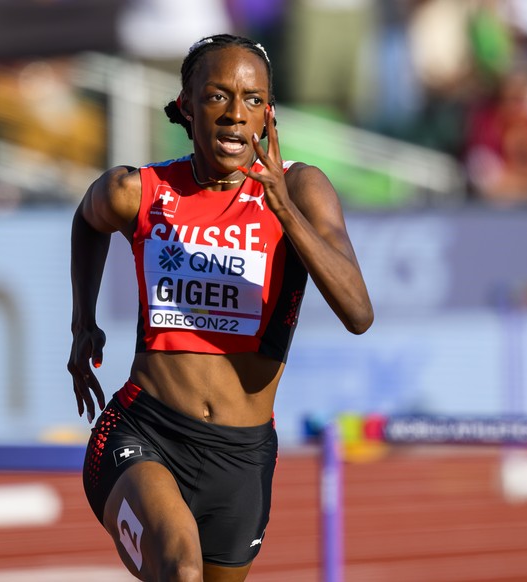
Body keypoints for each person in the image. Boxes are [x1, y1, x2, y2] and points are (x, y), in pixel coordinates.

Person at [67, 34, 373, 582]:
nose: (236, 115)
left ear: (269, 115)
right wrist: (82, 322)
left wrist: (282, 206)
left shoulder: (302, 188)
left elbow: (358, 313)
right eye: (218, 97)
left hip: (242, 456)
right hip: (145, 430)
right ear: (186, 105)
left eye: (254, 100)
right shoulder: (140, 190)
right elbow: (88, 220)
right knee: (179, 567)